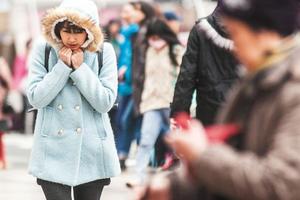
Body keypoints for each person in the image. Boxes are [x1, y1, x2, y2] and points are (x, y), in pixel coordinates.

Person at [138, 0, 300, 199]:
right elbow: (230, 171)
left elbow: (282, 184)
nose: (234, 47)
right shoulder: (253, 81)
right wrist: (173, 188)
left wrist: (202, 155)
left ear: (265, 33)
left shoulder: (292, 89)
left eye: (237, 34)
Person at [26, 0, 120, 199]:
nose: (71, 37)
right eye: (66, 30)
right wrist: (62, 67)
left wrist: (80, 69)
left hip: (92, 150)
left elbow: (105, 102)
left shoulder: (104, 52)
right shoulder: (43, 50)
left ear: (90, 30)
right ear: (57, 28)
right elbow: (36, 98)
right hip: (51, 149)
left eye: (78, 30)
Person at [131, 18, 184, 185]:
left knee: (176, 144)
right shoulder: (148, 51)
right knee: (146, 140)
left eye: (156, 37)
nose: (154, 41)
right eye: (151, 37)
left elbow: (184, 78)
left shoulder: (176, 50)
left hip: (171, 103)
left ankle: (182, 179)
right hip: (151, 103)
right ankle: (139, 178)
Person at [170, 0, 240, 126]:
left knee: (209, 145)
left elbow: (187, 76)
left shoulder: (200, 30)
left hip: (208, 108)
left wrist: (179, 114)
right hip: (241, 107)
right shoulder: (250, 32)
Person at [114, 3, 140, 170]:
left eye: (127, 11)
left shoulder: (134, 33)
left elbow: (132, 58)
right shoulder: (125, 33)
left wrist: (126, 74)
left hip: (133, 86)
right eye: (122, 11)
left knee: (127, 121)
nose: (123, 14)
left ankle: (127, 154)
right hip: (124, 86)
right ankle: (122, 153)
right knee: (122, 120)